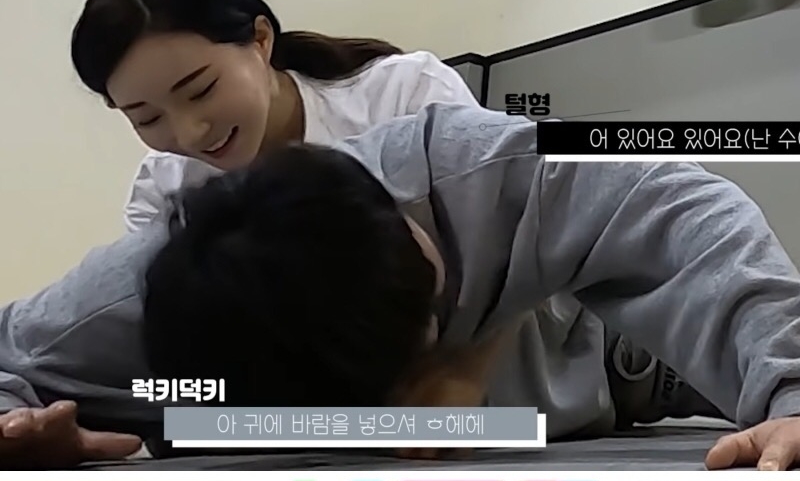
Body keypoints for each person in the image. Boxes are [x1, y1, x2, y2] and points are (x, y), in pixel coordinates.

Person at [1, 104, 800, 470]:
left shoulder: (474, 167)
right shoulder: (132, 309)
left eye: (433, 311)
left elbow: (688, 213)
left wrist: (791, 391)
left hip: (629, 371)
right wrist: (20, 428)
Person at [70, 0, 479, 232]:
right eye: (147, 118)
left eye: (201, 91)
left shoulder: (407, 96)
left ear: (261, 39)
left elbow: (495, 243)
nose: (190, 134)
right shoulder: (163, 193)